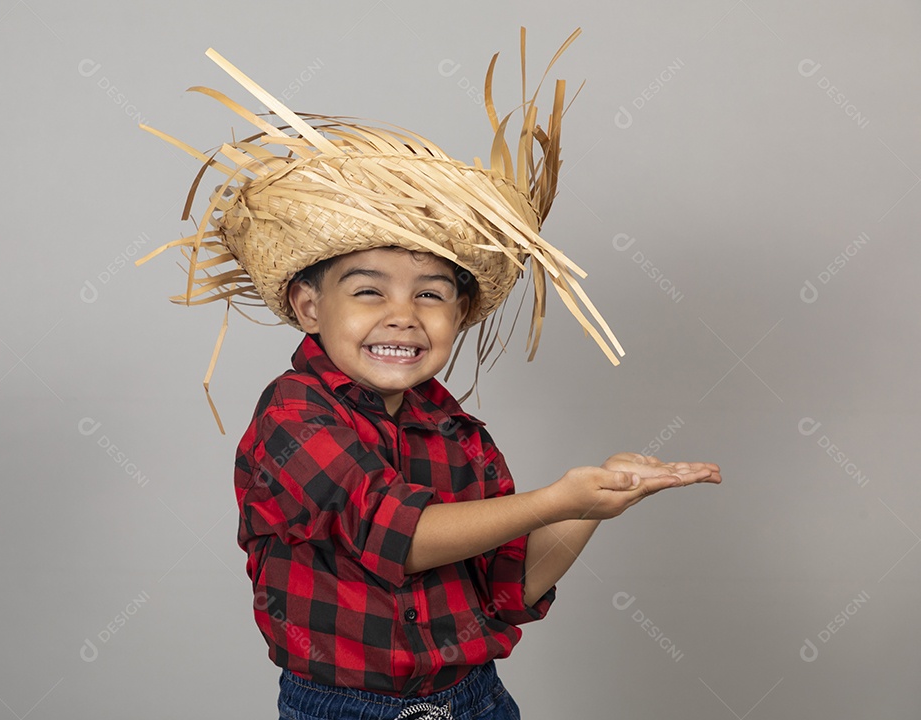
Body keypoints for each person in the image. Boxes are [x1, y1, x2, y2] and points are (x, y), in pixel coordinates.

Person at [138, 29, 721, 720]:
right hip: (346, 709)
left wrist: (592, 507)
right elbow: (400, 534)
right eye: (368, 290)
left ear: (460, 312)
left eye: (431, 293)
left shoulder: (456, 433)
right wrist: (555, 499)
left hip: (474, 701)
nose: (403, 315)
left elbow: (510, 586)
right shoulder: (293, 416)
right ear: (307, 305)